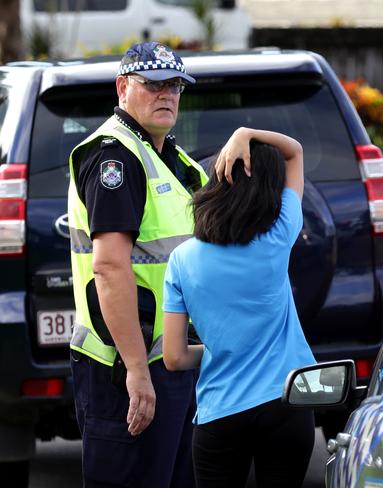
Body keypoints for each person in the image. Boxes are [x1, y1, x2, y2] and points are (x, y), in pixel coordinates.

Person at [67, 41, 208, 487]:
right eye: (153, 85)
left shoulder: (174, 161)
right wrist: (136, 371)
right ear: (123, 87)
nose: (167, 94)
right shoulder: (117, 158)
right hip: (126, 367)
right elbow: (109, 268)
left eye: (175, 86)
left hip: (172, 362)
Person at [162, 127, 316, 487]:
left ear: (219, 179)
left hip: (220, 413)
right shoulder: (278, 235)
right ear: (271, 189)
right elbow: (294, 151)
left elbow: (173, 358)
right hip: (287, 403)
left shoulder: (182, 259)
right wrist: (245, 134)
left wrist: (219, 349)